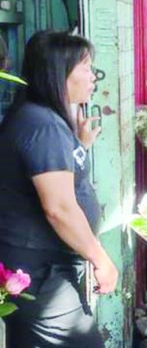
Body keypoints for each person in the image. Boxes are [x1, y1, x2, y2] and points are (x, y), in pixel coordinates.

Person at [0, 30, 118, 347]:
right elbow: (59, 208)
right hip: (40, 272)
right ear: (59, 72)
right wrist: (100, 258)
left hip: (36, 267)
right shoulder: (42, 126)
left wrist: (78, 144)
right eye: (86, 67)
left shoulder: (42, 119)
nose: (93, 76)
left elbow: (55, 176)